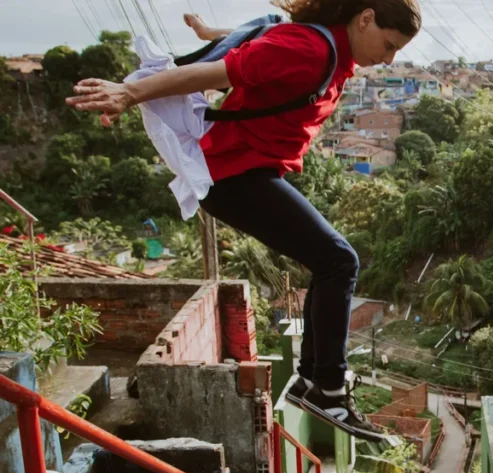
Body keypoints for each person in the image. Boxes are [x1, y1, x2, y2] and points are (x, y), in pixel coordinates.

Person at [66, 0, 422, 442]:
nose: (388, 59)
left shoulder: (332, 50)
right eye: (388, 45)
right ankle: (326, 389)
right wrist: (129, 93)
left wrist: (212, 32)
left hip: (251, 171)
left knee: (330, 262)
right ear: (365, 19)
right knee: (339, 261)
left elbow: (263, 37)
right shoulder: (311, 50)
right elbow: (214, 74)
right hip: (233, 175)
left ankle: (314, 382)